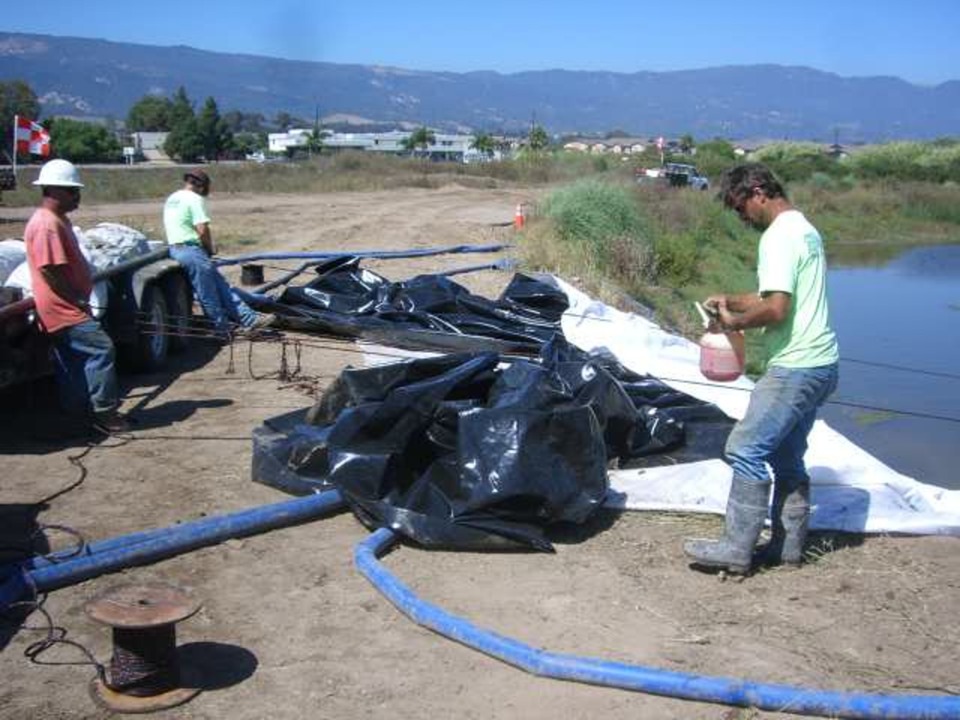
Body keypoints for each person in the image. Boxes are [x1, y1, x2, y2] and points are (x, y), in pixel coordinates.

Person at [684, 163, 839, 574]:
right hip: (822, 364)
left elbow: (775, 308)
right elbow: (772, 292)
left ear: (758, 192)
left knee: (745, 449)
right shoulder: (802, 227)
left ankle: (736, 549)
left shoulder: (778, 237)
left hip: (796, 367)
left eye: (740, 208)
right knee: (787, 456)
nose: (742, 217)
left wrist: (733, 324)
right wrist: (732, 301)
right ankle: (788, 550)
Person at [24, 159, 130, 434]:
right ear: (56, 190)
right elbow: (50, 270)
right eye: (73, 191)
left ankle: (76, 414)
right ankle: (105, 413)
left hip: (64, 305)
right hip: (63, 308)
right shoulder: (47, 225)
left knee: (72, 358)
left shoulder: (58, 221)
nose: (77, 196)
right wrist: (76, 300)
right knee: (101, 348)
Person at [162, 168, 273, 337]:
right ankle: (221, 330)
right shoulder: (194, 199)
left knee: (222, 287)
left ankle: (249, 319)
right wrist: (208, 248)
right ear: (201, 186)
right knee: (208, 293)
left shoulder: (172, 198)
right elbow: (202, 229)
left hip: (175, 248)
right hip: (191, 250)